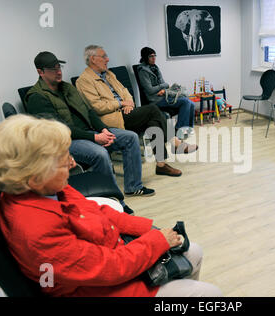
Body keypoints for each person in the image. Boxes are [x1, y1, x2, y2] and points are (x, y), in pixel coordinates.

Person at [0, 114, 222, 297]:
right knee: (210, 295)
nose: (73, 163)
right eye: (63, 159)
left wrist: (150, 230)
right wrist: (158, 241)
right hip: (98, 288)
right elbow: (109, 268)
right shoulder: (35, 230)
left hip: (111, 258)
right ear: (34, 175)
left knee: (194, 251)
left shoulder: (46, 187)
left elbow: (97, 211)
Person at [25, 51, 154, 201]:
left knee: (130, 137)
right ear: (40, 72)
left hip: (90, 132)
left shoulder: (67, 87)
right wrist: (94, 137)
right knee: (99, 153)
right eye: (52, 69)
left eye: (58, 67)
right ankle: (113, 199)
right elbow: (59, 129)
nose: (58, 72)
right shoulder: (36, 97)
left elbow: (89, 112)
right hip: (66, 142)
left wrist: (103, 129)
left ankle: (133, 187)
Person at [76, 45, 198, 178]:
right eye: (104, 56)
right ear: (93, 59)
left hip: (126, 112)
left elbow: (125, 92)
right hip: (110, 119)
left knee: (154, 122)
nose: (108, 59)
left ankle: (161, 165)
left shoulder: (109, 74)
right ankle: (175, 142)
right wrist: (122, 103)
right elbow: (97, 107)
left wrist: (129, 103)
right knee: (152, 110)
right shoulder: (83, 81)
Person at [137, 47, 195, 139]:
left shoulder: (155, 68)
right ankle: (178, 130)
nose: (154, 58)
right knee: (185, 102)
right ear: (145, 57)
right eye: (151, 56)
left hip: (164, 95)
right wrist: (162, 87)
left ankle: (188, 128)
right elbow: (150, 90)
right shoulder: (142, 71)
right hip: (155, 99)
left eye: (154, 56)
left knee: (191, 102)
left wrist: (163, 89)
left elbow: (166, 84)